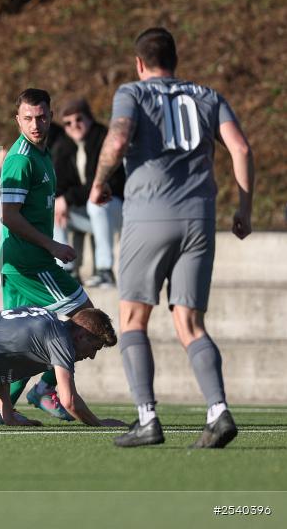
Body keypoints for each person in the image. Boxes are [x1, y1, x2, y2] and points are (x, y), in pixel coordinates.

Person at [90, 27, 254, 448]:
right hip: (199, 218)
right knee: (190, 322)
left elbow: (119, 137)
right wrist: (244, 209)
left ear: (139, 63)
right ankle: (218, 410)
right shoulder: (208, 95)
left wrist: (100, 180)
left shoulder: (133, 92)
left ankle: (146, 417)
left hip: (149, 217)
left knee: (132, 320)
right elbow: (241, 148)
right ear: (175, 60)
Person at [0, 88, 96, 422]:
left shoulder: (42, 153)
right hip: (29, 264)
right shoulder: (21, 158)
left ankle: (3, 409)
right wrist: (52, 245)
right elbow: (9, 215)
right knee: (87, 316)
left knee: (21, 339)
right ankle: (46, 387)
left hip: (18, 262)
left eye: (41, 116)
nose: (35, 123)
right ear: (18, 120)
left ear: (51, 116)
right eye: (28, 118)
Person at [51, 98, 125, 287]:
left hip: (114, 209)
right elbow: (58, 182)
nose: (74, 126)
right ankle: (66, 271)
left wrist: (68, 198)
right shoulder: (64, 146)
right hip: (85, 215)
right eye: (68, 123)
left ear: (89, 118)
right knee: (53, 207)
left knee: (96, 203)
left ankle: (105, 270)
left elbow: (102, 183)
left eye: (79, 119)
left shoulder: (104, 139)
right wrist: (61, 200)